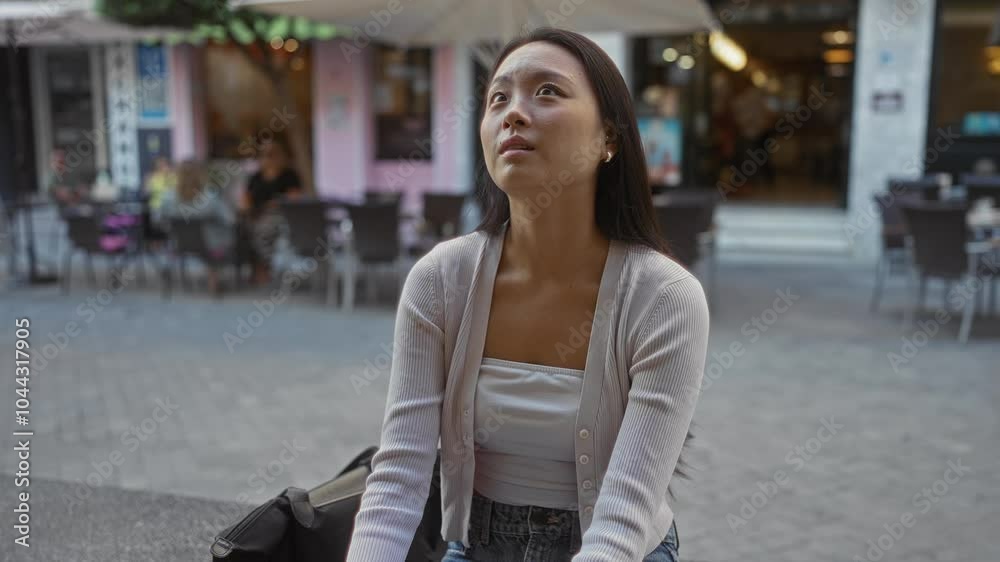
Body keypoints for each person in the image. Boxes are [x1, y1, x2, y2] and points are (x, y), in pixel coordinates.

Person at [346, 28, 710, 562]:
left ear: (609, 138)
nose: (513, 113)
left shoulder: (664, 299)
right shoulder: (440, 280)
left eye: (547, 92)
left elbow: (621, 521)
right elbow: (399, 478)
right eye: (498, 98)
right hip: (473, 544)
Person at [158, 160, 236, 295]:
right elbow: (230, 219)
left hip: (179, 244)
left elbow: (158, 219)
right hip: (210, 244)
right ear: (201, 175)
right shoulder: (210, 196)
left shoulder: (168, 197)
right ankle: (214, 281)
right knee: (230, 239)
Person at [241, 139, 302, 285]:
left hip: (280, 215)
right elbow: (246, 198)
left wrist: (271, 205)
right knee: (241, 232)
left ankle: (269, 266)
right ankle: (259, 268)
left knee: (263, 231)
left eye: (271, 154)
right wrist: (248, 208)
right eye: (264, 154)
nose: (268, 158)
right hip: (256, 215)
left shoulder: (288, 175)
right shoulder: (256, 177)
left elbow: (293, 198)